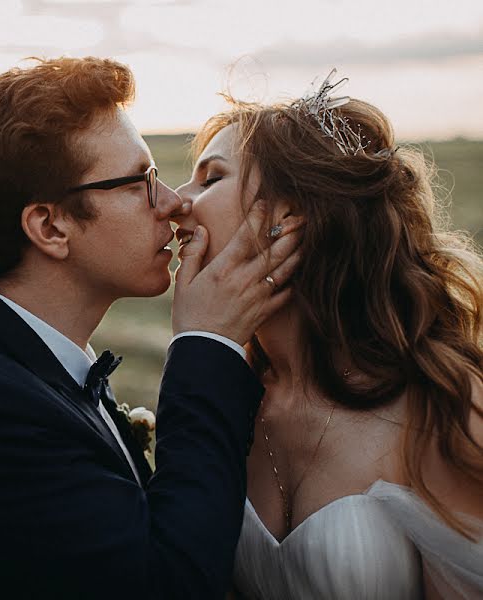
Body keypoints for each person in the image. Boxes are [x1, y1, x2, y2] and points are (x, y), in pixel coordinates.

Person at [0, 57, 302, 599]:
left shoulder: (24, 362)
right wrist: (206, 345)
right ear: (50, 226)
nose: (172, 203)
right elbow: (170, 583)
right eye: (140, 182)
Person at [174, 72, 483, 599]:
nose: (176, 201)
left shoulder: (444, 404)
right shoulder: (226, 399)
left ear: (289, 217)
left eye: (210, 179)